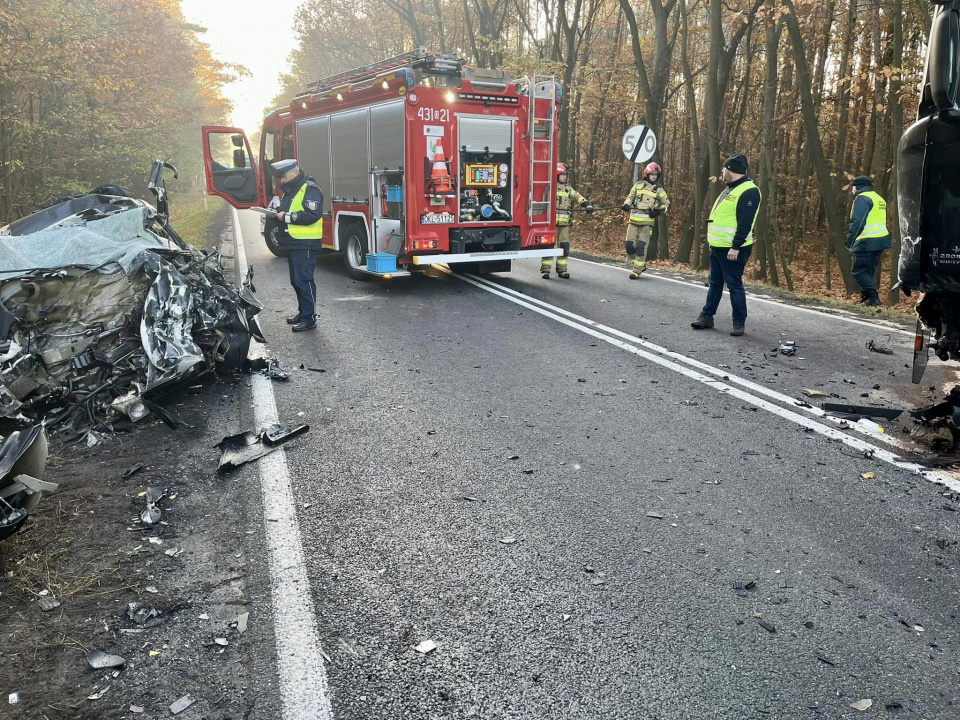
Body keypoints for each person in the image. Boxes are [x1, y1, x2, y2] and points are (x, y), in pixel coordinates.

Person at [691, 154, 762, 336]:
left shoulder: (749, 191)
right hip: (718, 246)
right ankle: (706, 317)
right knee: (714, 283)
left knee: (734, 285)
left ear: (731, 170)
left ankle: (739, 323)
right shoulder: (731, 188)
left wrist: (736, 247)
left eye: (724, 169)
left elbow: (745, 223)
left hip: (732, 249)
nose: (722, 172)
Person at [267, 159, 323, 332]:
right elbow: (288, 211)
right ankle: (303, 313)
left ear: (293, 172)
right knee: (296, 281)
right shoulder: (291, 191)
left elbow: (312, 214)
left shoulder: (310, 188)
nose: (281, 181)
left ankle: (309, 318)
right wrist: (275, 214)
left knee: (304, 281)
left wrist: (286, 217)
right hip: (293, 242)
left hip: (305, 243)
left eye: (283, 176)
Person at [543, 163, 593, 279]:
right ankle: (545, 270)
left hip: (564, 225)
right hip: (551, 225)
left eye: (566, 175)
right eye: (563, 175)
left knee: (564, 247)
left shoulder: (568, 189)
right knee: (549, 247)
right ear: (556, 175)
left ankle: (562, 270)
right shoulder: (549, 188)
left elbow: (577, 196)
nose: (565, 177)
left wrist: (586, 204)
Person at [847, 175, 890, 307]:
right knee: (868, 271)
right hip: (880, 240)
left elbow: (858, 222)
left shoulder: (862, 198)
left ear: (857, 186)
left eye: (852, 187)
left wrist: (850, 241)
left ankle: (873, 298)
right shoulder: (879, 198)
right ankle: (866, 299)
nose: (852, 190)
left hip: (866, 240)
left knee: (858, 270)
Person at [621, 162, 670, 279]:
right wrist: (626, 204)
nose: (654, 176)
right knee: (629, 246)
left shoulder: (659, 190)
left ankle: (636, 271)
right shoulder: (638, 185)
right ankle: (640, 265)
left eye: (656, 175)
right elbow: (630, 197)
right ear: (647, 174)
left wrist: (658, 211)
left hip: (647, 223)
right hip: (633, 221)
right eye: (652, 174)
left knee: (641, 247)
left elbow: (666, 204)